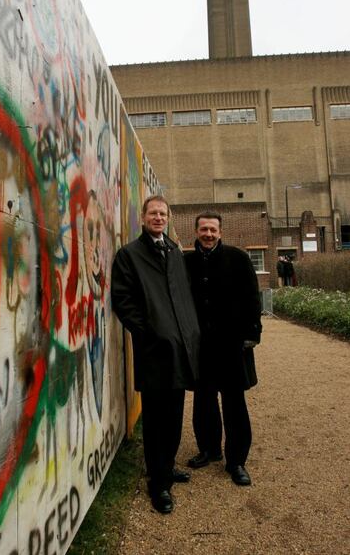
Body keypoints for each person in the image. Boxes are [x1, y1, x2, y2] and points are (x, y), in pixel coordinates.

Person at [111, 195, 200, 513]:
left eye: (163, 213)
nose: (158, 218)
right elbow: (122, 301)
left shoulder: (174, 252)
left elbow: (184, 296)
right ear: (143, 217)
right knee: (155, 417)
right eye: (153, 213)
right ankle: (158, 483)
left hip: (180, 349)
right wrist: (149, 332)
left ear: (169, 217)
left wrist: (190, 332)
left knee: (175, 414)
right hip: (153, 350)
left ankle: (167, 466)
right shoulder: (129, 255)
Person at [185, 211, 262, 486]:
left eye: (213, 230)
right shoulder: (186, 261)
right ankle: (209, 449)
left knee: (234, 402)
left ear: (220, 232)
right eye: (204, 229)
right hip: (201, 346)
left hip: (232, 344)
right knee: (204, 400)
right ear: (196, 231)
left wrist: (253, 333)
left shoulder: (238, 258)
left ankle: (237, 460)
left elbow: (253, 296)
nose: (208, 234)